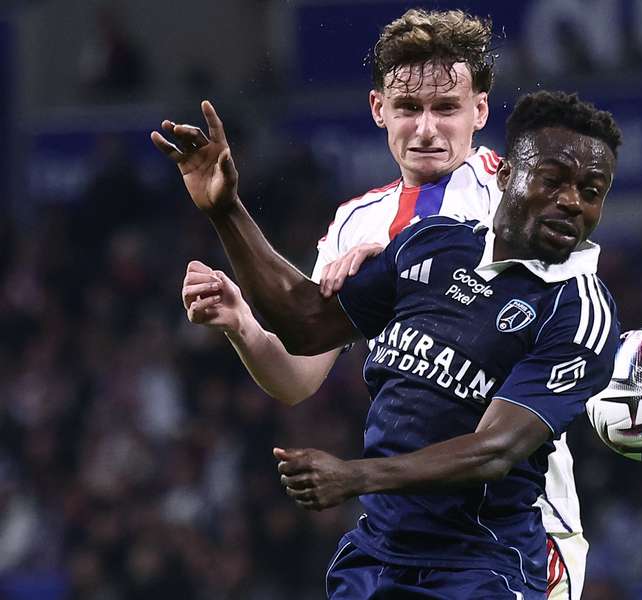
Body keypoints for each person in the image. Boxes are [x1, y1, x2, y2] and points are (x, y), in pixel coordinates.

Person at [155, 10, 597, 597]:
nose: (427, 130)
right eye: (409, 109)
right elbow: (297, 377)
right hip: (401, 532)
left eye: (447, 108)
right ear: (377, 109)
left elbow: (567, 289)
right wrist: (241, 322)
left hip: (517, 530)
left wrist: (405, 262)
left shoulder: (512, 195)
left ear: (481, 111)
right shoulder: (354, 222)